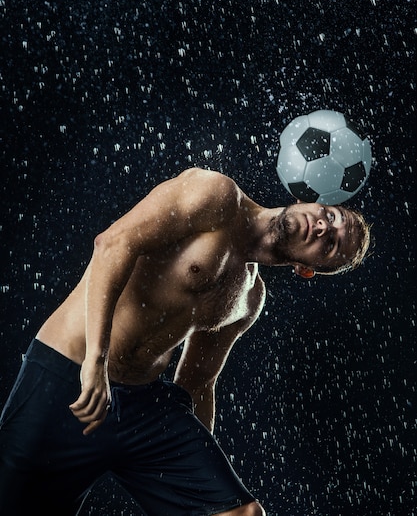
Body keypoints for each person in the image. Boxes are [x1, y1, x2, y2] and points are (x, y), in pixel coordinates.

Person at [0, 167, 370, 516]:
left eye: (331, 245)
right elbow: (113, 244)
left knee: (238, 512)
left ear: (307, 270)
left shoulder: (248, 299)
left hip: (143, 404)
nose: (323, 226)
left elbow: (197, 382)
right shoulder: (216, 196)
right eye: (330, 215)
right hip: (69, 374)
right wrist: (96, 359)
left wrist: (193, 476)